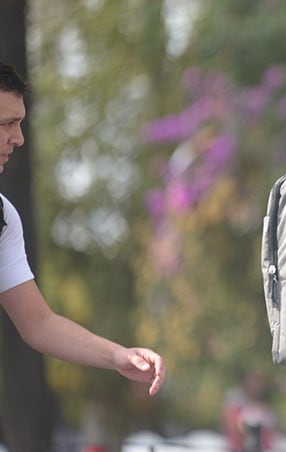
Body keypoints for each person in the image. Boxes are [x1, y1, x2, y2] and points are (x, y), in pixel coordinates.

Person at [0, 62, 165, 396]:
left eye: (19, 123)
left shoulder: (3, 218)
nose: (17, 139)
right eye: (7, 123)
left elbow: (40, 324)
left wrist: (119, 355)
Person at [220, 371, 277, 452]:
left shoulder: (262, 406)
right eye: (250, 385)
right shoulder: (235, 400)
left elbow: (272, 427)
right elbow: (230, 422)